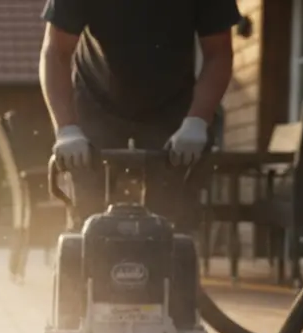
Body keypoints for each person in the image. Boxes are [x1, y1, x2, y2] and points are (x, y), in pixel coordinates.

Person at [38, 0, 242, 229]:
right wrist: (66, 128)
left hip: (172, 112)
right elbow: (56, 52)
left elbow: (218, 53)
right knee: (88, 217)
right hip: (95, 106)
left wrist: (197, 120)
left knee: (171, 220)